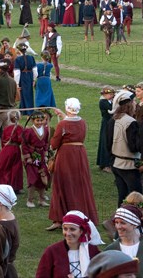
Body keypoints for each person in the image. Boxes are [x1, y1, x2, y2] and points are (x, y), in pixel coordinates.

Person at [47, 98, 99, 230]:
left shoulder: (62, 125)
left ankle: (59, 218)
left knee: (62, 184)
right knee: (79, 184)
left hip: (66, 156)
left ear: (67, 108)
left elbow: (54, 144)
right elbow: (72, 127)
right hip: (80, 155)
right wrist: (62, 116)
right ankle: (82, 214)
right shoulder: (82, 122)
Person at [37, 210, 103, 278]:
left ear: (81, 231)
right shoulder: (52, 251)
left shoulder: (92, 250)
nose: (68, 233)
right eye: (65, 229)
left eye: (72, 229)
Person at [107, 90, 141, 207]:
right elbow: (133, 147)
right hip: (129, 165)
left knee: (122, 195)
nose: (135, 104)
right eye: (134, 102)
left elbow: (108, 144)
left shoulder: (113, 120)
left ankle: (119, 219)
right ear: (129, 104)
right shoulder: (131, 122)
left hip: (116, 164)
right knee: (136, 196)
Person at [0, 185, 20, 278]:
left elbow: (3, 255)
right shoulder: (11, 218)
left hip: (4, 272)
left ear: (1, 202)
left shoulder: (4, 226)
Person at [0, 111, 24, 194]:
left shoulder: (6, 128)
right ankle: (14, 186)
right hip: (14, 150)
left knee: (4, 167)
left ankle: (1, 184)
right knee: (15, 167)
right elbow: (20, 140)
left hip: (5, 150)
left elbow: (3, 140)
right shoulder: (19, 128)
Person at [22, 110, 50, 208]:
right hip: (33, 156)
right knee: (33, 177)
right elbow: (24, 145)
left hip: (41, 156)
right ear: (32, 121)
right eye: (37, 120)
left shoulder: (46, 130)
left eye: (41, 120)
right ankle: (30, 200)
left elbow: (46, 143)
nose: (39, 122)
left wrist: (46, 154)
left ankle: (41, 199)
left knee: (43, 176)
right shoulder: (28, 131)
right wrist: (28, 157)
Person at [14, 43, 37, 115]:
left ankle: (29, 111)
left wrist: (16, 83)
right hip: (30, 76)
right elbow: (35, 70)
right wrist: (33, 79)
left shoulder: (18, 59)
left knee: (25, 93)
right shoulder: (31, 58)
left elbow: (17, 72)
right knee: (28, 93)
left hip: (22, 76)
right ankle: (23, 110)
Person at [97, 86, 116, 172]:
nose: (111, 95)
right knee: (105, 142)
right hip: (106, 123)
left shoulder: (110, 101)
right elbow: (111, 110)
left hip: (110, 123)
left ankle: (106, 163)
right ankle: (105, 164)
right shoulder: (103, 102)